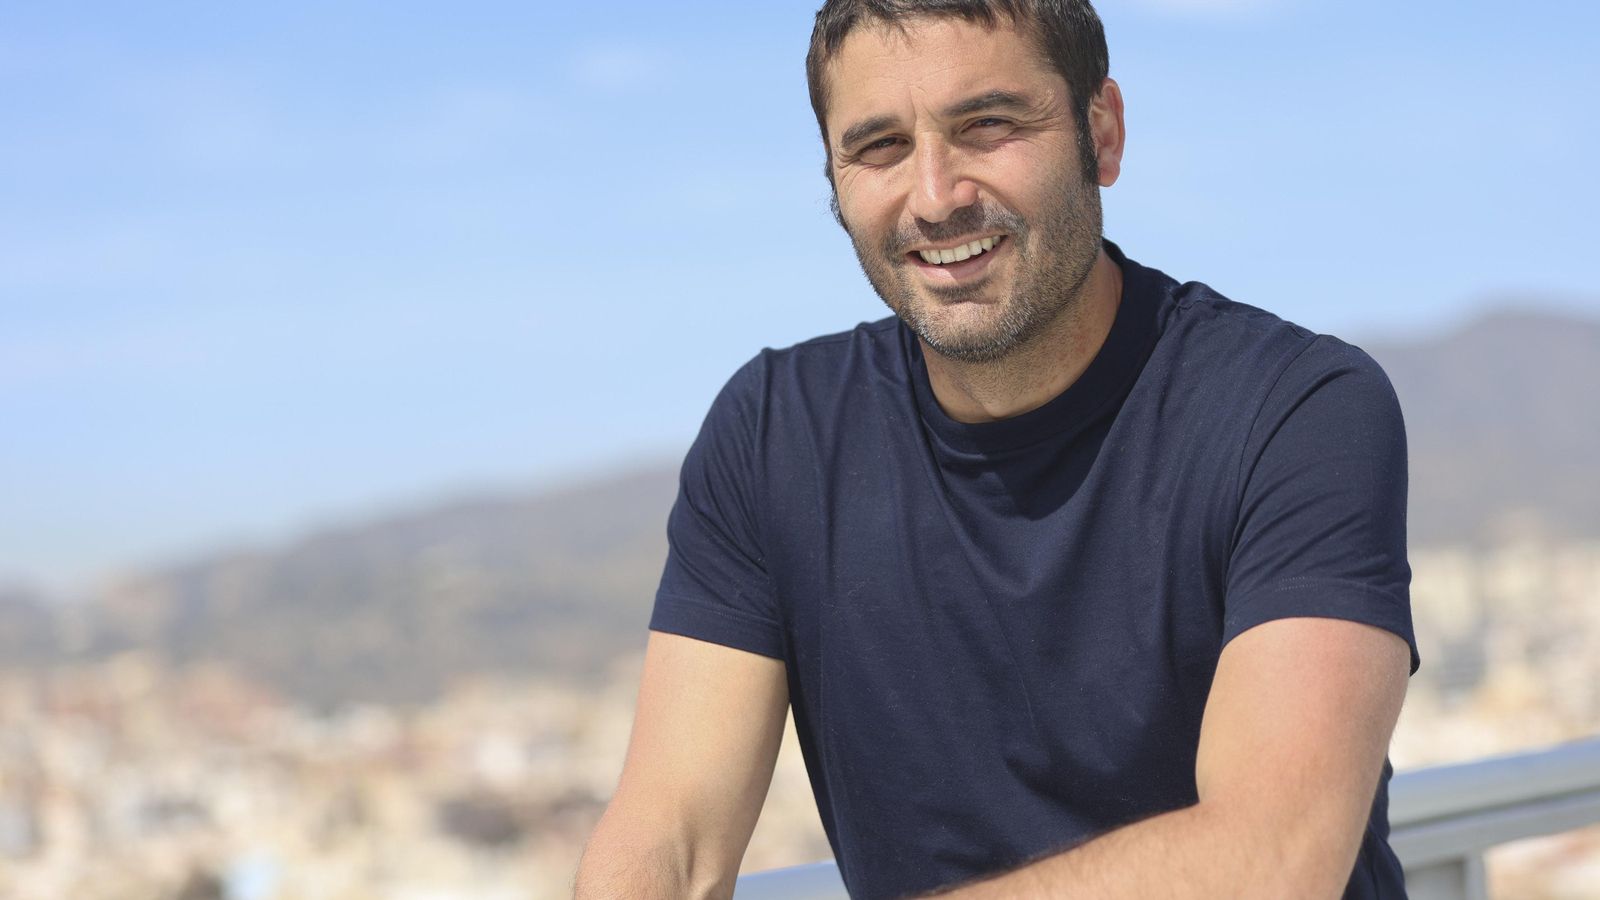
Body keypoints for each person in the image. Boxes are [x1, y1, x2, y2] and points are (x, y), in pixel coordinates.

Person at [574, 1, 1417, 897]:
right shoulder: (773, 434)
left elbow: (1272, 862)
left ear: (1102, 133)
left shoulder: (1294, 409)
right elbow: (671, 837)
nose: (936, 197)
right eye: (881, 147)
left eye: (987, 125)